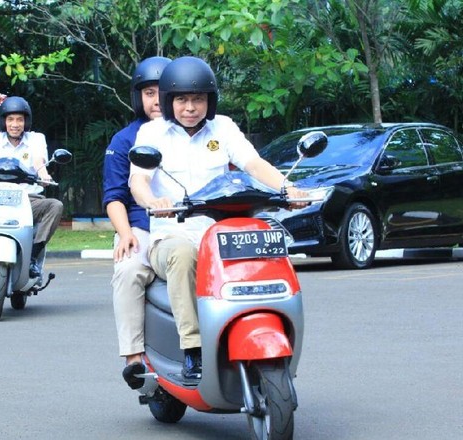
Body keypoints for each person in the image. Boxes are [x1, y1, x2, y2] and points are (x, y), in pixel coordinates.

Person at [129, 56, 309, 381]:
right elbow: (138, 180)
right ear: (169, 101)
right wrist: (155, 201)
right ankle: (193, 348)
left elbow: (253, 165)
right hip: (172, 236)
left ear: (209, 101)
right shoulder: (152, 132)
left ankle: (265, 328)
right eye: (181, 99)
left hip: (220, 234)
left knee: (267, 242)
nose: (190, 107)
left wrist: (289, 187)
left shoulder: (222, 127)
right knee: (183, 255)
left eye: (198, 99)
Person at [103, 56, 171, 389]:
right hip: (143, 227)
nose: (156, 100)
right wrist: (125, 233)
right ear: (137, 97)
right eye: (148, 93)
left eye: (163, 91)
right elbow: (114, 195)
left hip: (191, 226)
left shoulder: (199, 134)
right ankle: (135, 359)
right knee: (128, 270)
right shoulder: (125, 140)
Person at [0, 96, 63, 276]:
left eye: (19, 119)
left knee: (55, 206)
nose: (15, 124)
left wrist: (43, 175)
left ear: (26, 121)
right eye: (10, 119)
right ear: (3, 121)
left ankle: (33, 255)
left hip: (28, 200)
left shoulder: (36, 139)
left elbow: (39, 161)